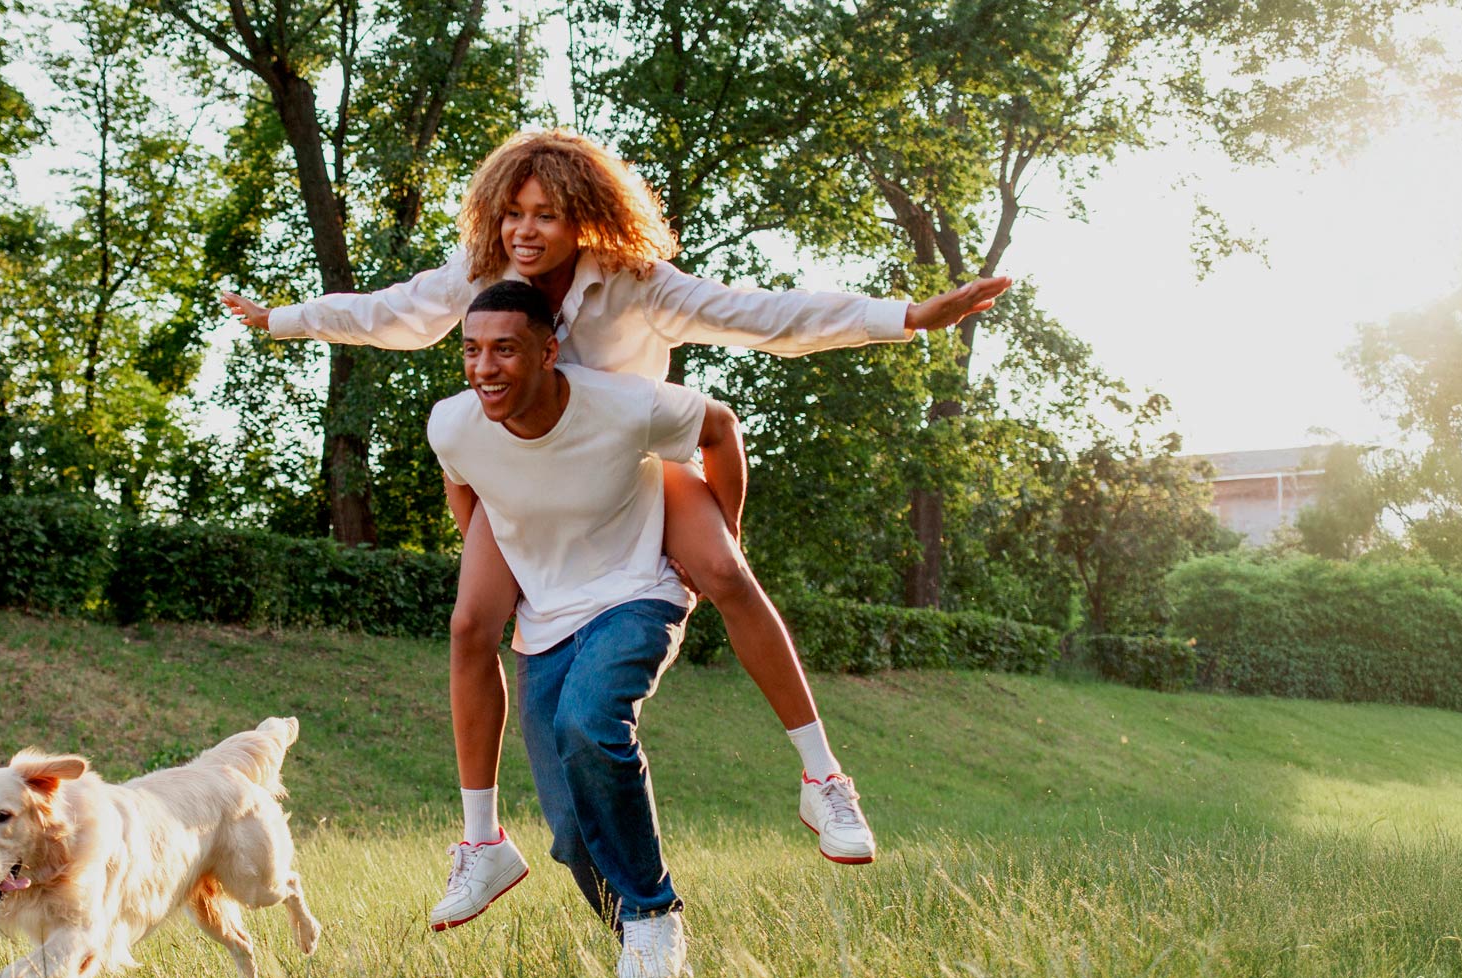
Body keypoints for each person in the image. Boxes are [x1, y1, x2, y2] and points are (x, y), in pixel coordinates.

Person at [224, 130, 1009, 930]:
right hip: (531, 474)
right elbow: (390, 312)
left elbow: (764, 316)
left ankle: (823, 780)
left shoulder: (637, 284)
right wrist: (283, 319)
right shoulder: (480, 278)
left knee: (729, 574)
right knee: (468, 624)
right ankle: (481, 842)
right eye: (513, 214)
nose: (524, 233)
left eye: (548, 217)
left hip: (633, 464)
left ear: (587, 220)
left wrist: (906, 316)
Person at [427, 280, 740, 978]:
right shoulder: (452, 425)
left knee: (589, 724)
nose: (485, 367)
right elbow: (468, 494)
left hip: (638, 594)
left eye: (504, 350)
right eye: (472, 351)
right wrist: (511, 566)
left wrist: (724, 536)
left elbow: (719, 427)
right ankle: (640, 939)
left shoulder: (617, 405)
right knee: (571, 835)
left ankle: (657, 913)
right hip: (545, 622)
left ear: (549, 350)